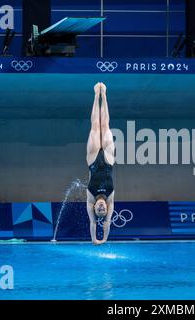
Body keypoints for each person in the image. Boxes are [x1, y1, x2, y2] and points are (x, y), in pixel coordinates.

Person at [86, 82, 115, 245]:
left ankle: (96, 95)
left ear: (95, 207)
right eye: (103, 209)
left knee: (95, 127)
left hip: (92, 161)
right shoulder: (110, 198)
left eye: (99, 209)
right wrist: (104, 238)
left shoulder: (90, 198)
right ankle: (104, 95)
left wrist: (94, 239)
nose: (102, 208)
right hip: (109, 160)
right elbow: (107, 221)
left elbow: (93, 222)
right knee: (106, 125)